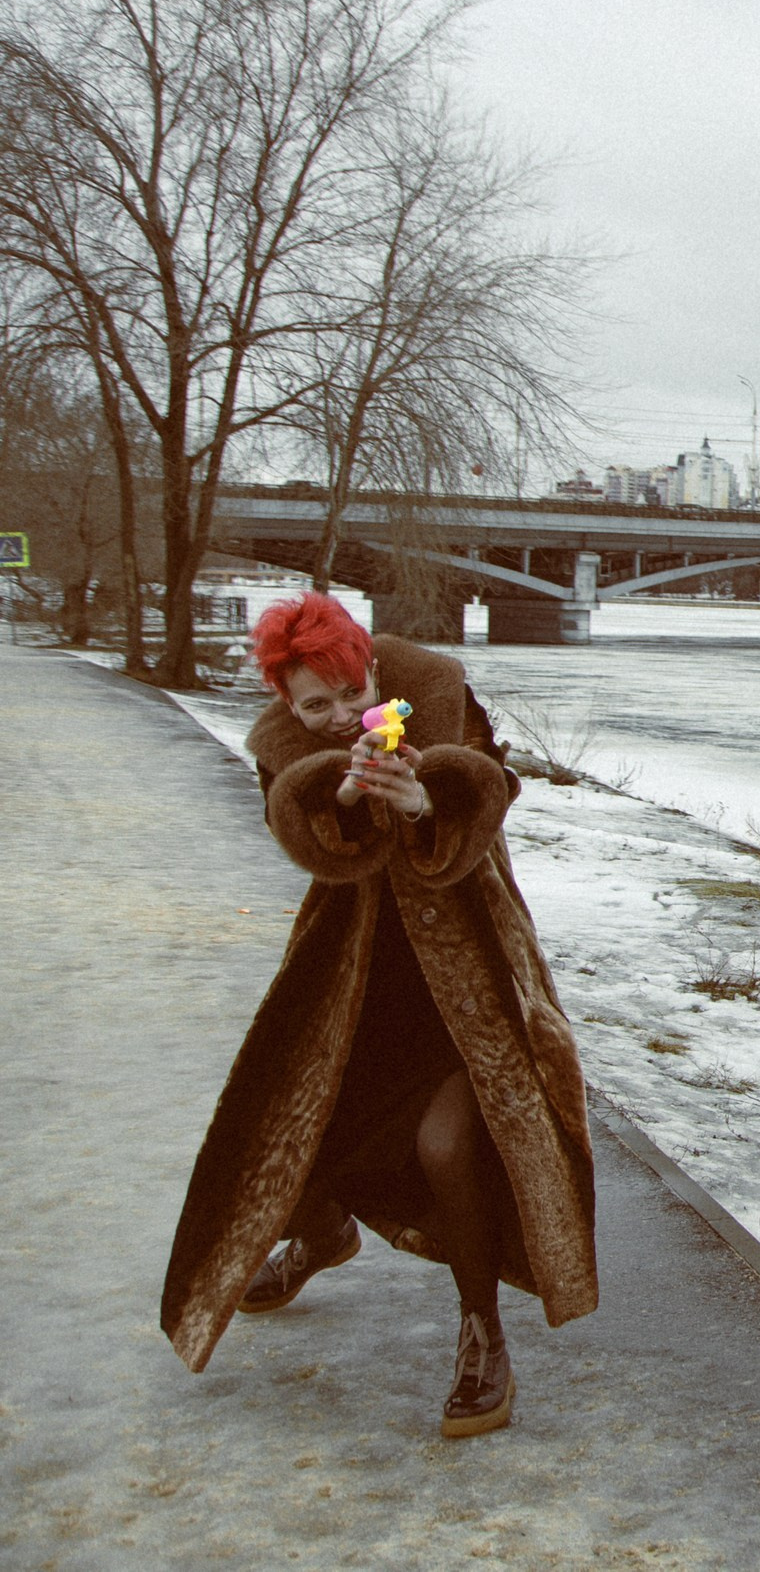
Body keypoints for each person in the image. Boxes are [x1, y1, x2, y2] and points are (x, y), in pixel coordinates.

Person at [161, 591, 597, 1438]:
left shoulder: (435, 691)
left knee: (447, 1144)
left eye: (349, 692)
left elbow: (493, 788)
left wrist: (426, 803)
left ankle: (482, 1334)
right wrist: (350, 801)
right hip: (353, 979)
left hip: (465, 975)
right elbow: (304, 836)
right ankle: (322, 1234)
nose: (337, 716)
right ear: (288, 705)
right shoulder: (286, 748)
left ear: (369, 663)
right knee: (279, 1139)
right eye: (313, 705)